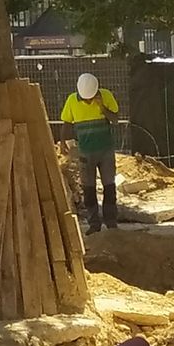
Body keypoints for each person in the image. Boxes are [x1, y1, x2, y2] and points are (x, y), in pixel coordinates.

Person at [60, 71, 120, 232]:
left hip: (105, 150)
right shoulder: (72, 100)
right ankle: (94, 223)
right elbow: (66, 122)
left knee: (109, 186)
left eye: (90, 98)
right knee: (88, 188)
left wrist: (102, 107)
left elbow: (115, 119)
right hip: (86, 152)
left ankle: (111, 221)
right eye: (85, 98)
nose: (87, 100)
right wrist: (63, 143)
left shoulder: (106, 96)